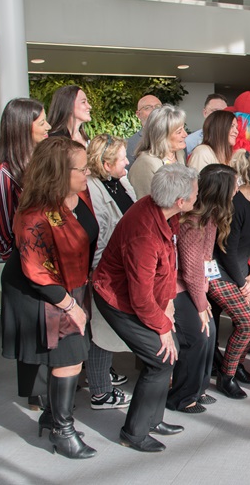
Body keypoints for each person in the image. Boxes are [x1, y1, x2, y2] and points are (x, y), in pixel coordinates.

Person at [0, 136, 99, 458]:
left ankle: (51, 416)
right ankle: (63, 430)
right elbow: (37, 272)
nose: (87, 174)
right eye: (81, 169)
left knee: (72, 355)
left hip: (71, 285)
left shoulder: (79, 194)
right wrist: (72, 306)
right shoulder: (34, 214)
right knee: (68, 359)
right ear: (57, 172)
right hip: (41, 293)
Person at [93, 163, 197, 452]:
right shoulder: (144, 234)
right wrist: (162, 326)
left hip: (145, 300)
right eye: (195, 195)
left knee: (168, 353)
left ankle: (153, 419)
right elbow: (139, 298)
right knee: (160, 357)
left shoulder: (165, 213)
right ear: (180, 201)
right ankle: (134, 432)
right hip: (118, 299)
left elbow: (165, 269)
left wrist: (168, 307)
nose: (197, 199)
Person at [207, 149, 250, 400]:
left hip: (243, 273)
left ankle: (233, 366)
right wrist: (243, 286)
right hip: (221, 272)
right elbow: (227, 249)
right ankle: (226, 376)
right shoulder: (236, 202)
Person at [169, 164, 237, 414]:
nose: (237, 190)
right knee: (199, 335)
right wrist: (201, 304)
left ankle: (198, 389)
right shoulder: (193, 221)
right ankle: (181, 396)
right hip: (176, 288)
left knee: (209, 335)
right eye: (234, 185)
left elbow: (205, 262)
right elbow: (190, 269)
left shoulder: (210, 218)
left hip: (194, 285)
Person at [85, 133, 136, 410]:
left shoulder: (119, 182)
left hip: (119, 266)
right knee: (100, 335)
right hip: (104, 271)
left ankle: (102, 382)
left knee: (106, 332)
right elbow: (100, 237)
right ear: (105, 164)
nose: (127, 161)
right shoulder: (93, 190)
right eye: (121, 158)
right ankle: (100, 392)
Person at [0, 97, 50, 260]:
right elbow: (2, 224)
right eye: (42, 123)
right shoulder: (4, 172)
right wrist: (13, 260)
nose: (48, 127)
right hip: (27, 258)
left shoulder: (40, 160)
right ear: (23, 127)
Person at [129, 104, 187, 198]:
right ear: (162, 136)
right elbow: (145, 206)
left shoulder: (180, 154)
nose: (185, 134)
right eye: (179, 132)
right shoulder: (145, 164)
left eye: (183, 129)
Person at [126, 95, 162, 166]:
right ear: (138, 114)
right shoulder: (130, 144)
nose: (154, 110)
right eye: (148, 108)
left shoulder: (176, 138)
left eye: (158, 107)